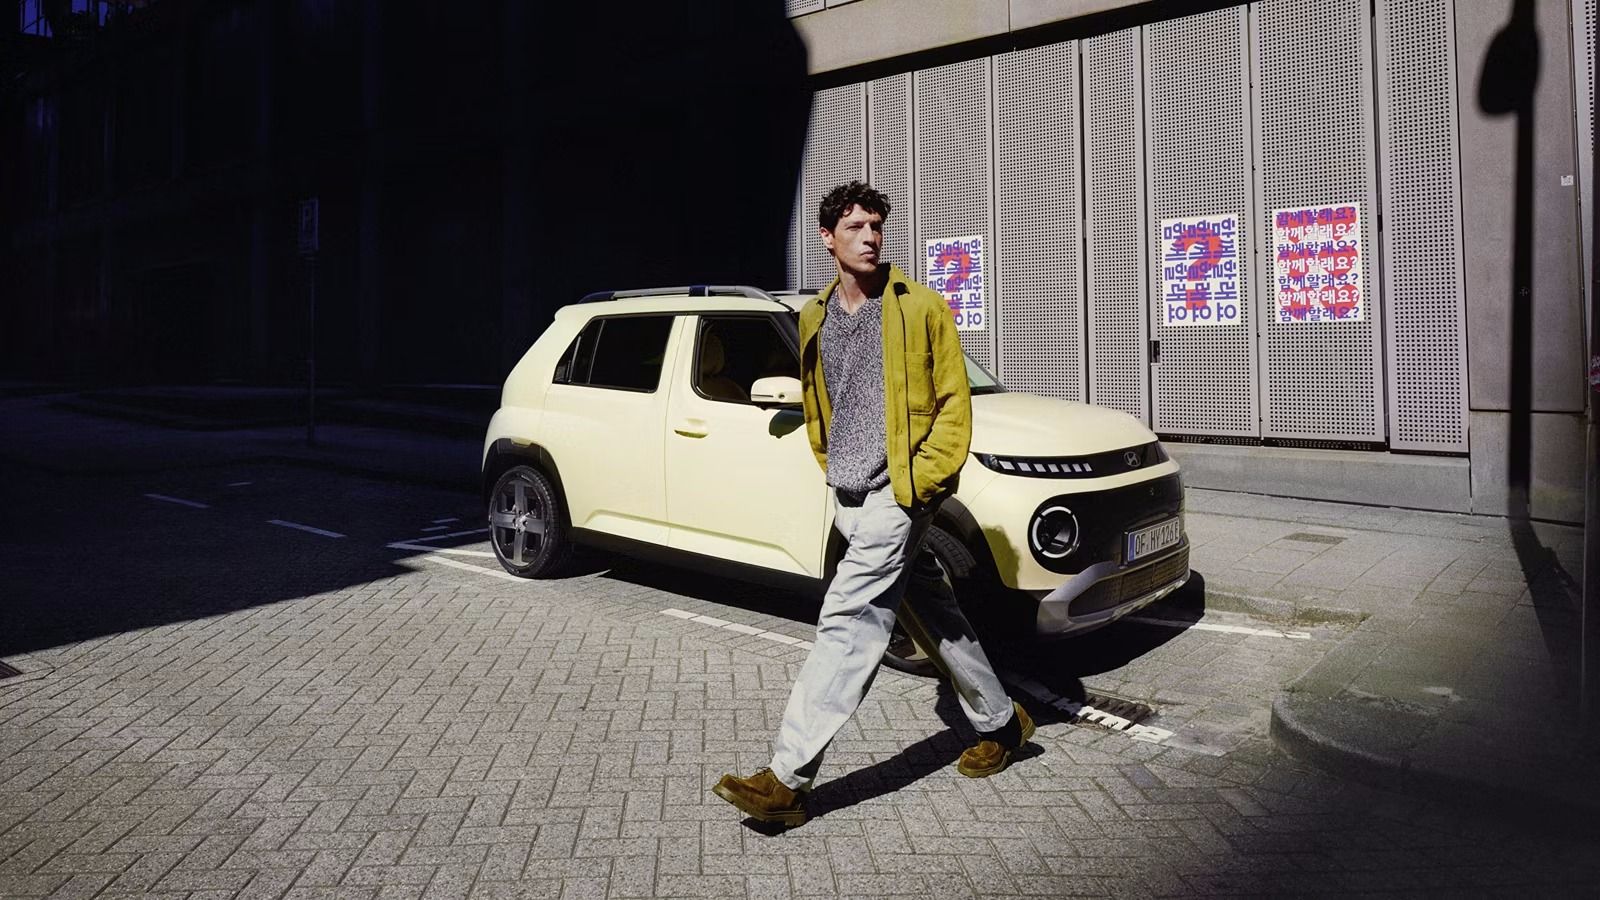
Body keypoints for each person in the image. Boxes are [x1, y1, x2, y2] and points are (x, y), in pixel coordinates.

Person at [712, 181, 1033, 828]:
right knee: (934, 613)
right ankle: (1003, 722)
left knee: (849, 620)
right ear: (828, 238)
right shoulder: (814, 315)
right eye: (855, 227)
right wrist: (831, 463)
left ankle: (787, 779)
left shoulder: (921, 307)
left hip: (899, 494)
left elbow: (954, 406)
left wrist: (921, 483)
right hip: (849, 492)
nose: (870, 237)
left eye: (877, 226)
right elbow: (820, 397)